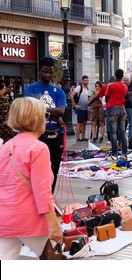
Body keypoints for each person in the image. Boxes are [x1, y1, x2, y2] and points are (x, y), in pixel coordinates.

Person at [0, 97, 63, 259]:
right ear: (37, 119)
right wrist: (54, 224)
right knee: (52, 258)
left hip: (5, 218)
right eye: (45, 116)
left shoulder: (6, 146)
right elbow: (42, 191)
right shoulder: (38, 148)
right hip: (30, 219)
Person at [25, 57, 66, 194]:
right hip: (39, 135)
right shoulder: (31, 88)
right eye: (45, 72)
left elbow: (61, 111)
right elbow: (30, 109)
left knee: (53, 170)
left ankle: (50, 200)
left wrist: (40, 108)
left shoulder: (58, 91)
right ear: (39, 71)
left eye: (50, 72)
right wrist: (53, 113)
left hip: (56, 136)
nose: (47, 75)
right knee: (38, 170)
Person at [98, 69, 128, 160]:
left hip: (113, 109)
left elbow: (106, 97)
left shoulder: (111, 86)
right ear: (122, 76)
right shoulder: (125, 86)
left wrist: (108, 103)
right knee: (123, 132)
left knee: (113, 132)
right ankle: (124, 153)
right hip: (122, 108)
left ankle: (114, 154)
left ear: (115, 75)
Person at [71, 75, 90, 142]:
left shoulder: (87, 88)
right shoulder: (79, 87)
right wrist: (75, 105)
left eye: (87, 80)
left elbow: (87, 98)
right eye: (85, 80)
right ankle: (78, 138)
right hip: (80, 109)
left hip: (86, 108)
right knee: (79, 123)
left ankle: (83, 137)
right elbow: (72, 95)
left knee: (84, 123)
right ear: (82, 81)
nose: (87, 81)